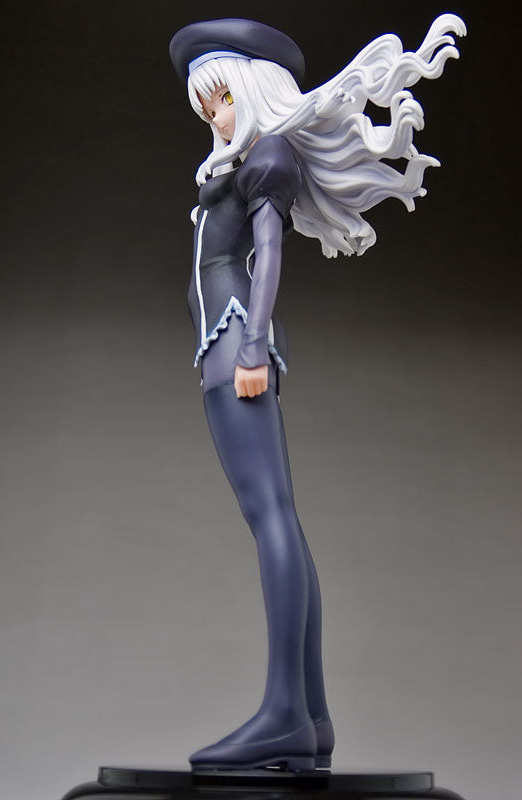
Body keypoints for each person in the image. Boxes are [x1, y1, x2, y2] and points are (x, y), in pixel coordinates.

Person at [168, 14, 466, 772]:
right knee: (280, 520)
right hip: (227, 343)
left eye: (221, 99)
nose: (215, 117)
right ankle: (311, 716)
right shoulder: (239, 165)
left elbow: (269, 255)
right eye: (205, 107)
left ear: (253, 91)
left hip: (235, 345)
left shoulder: (267, 157)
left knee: (270, 516)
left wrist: (253, 348)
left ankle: (283, 712)